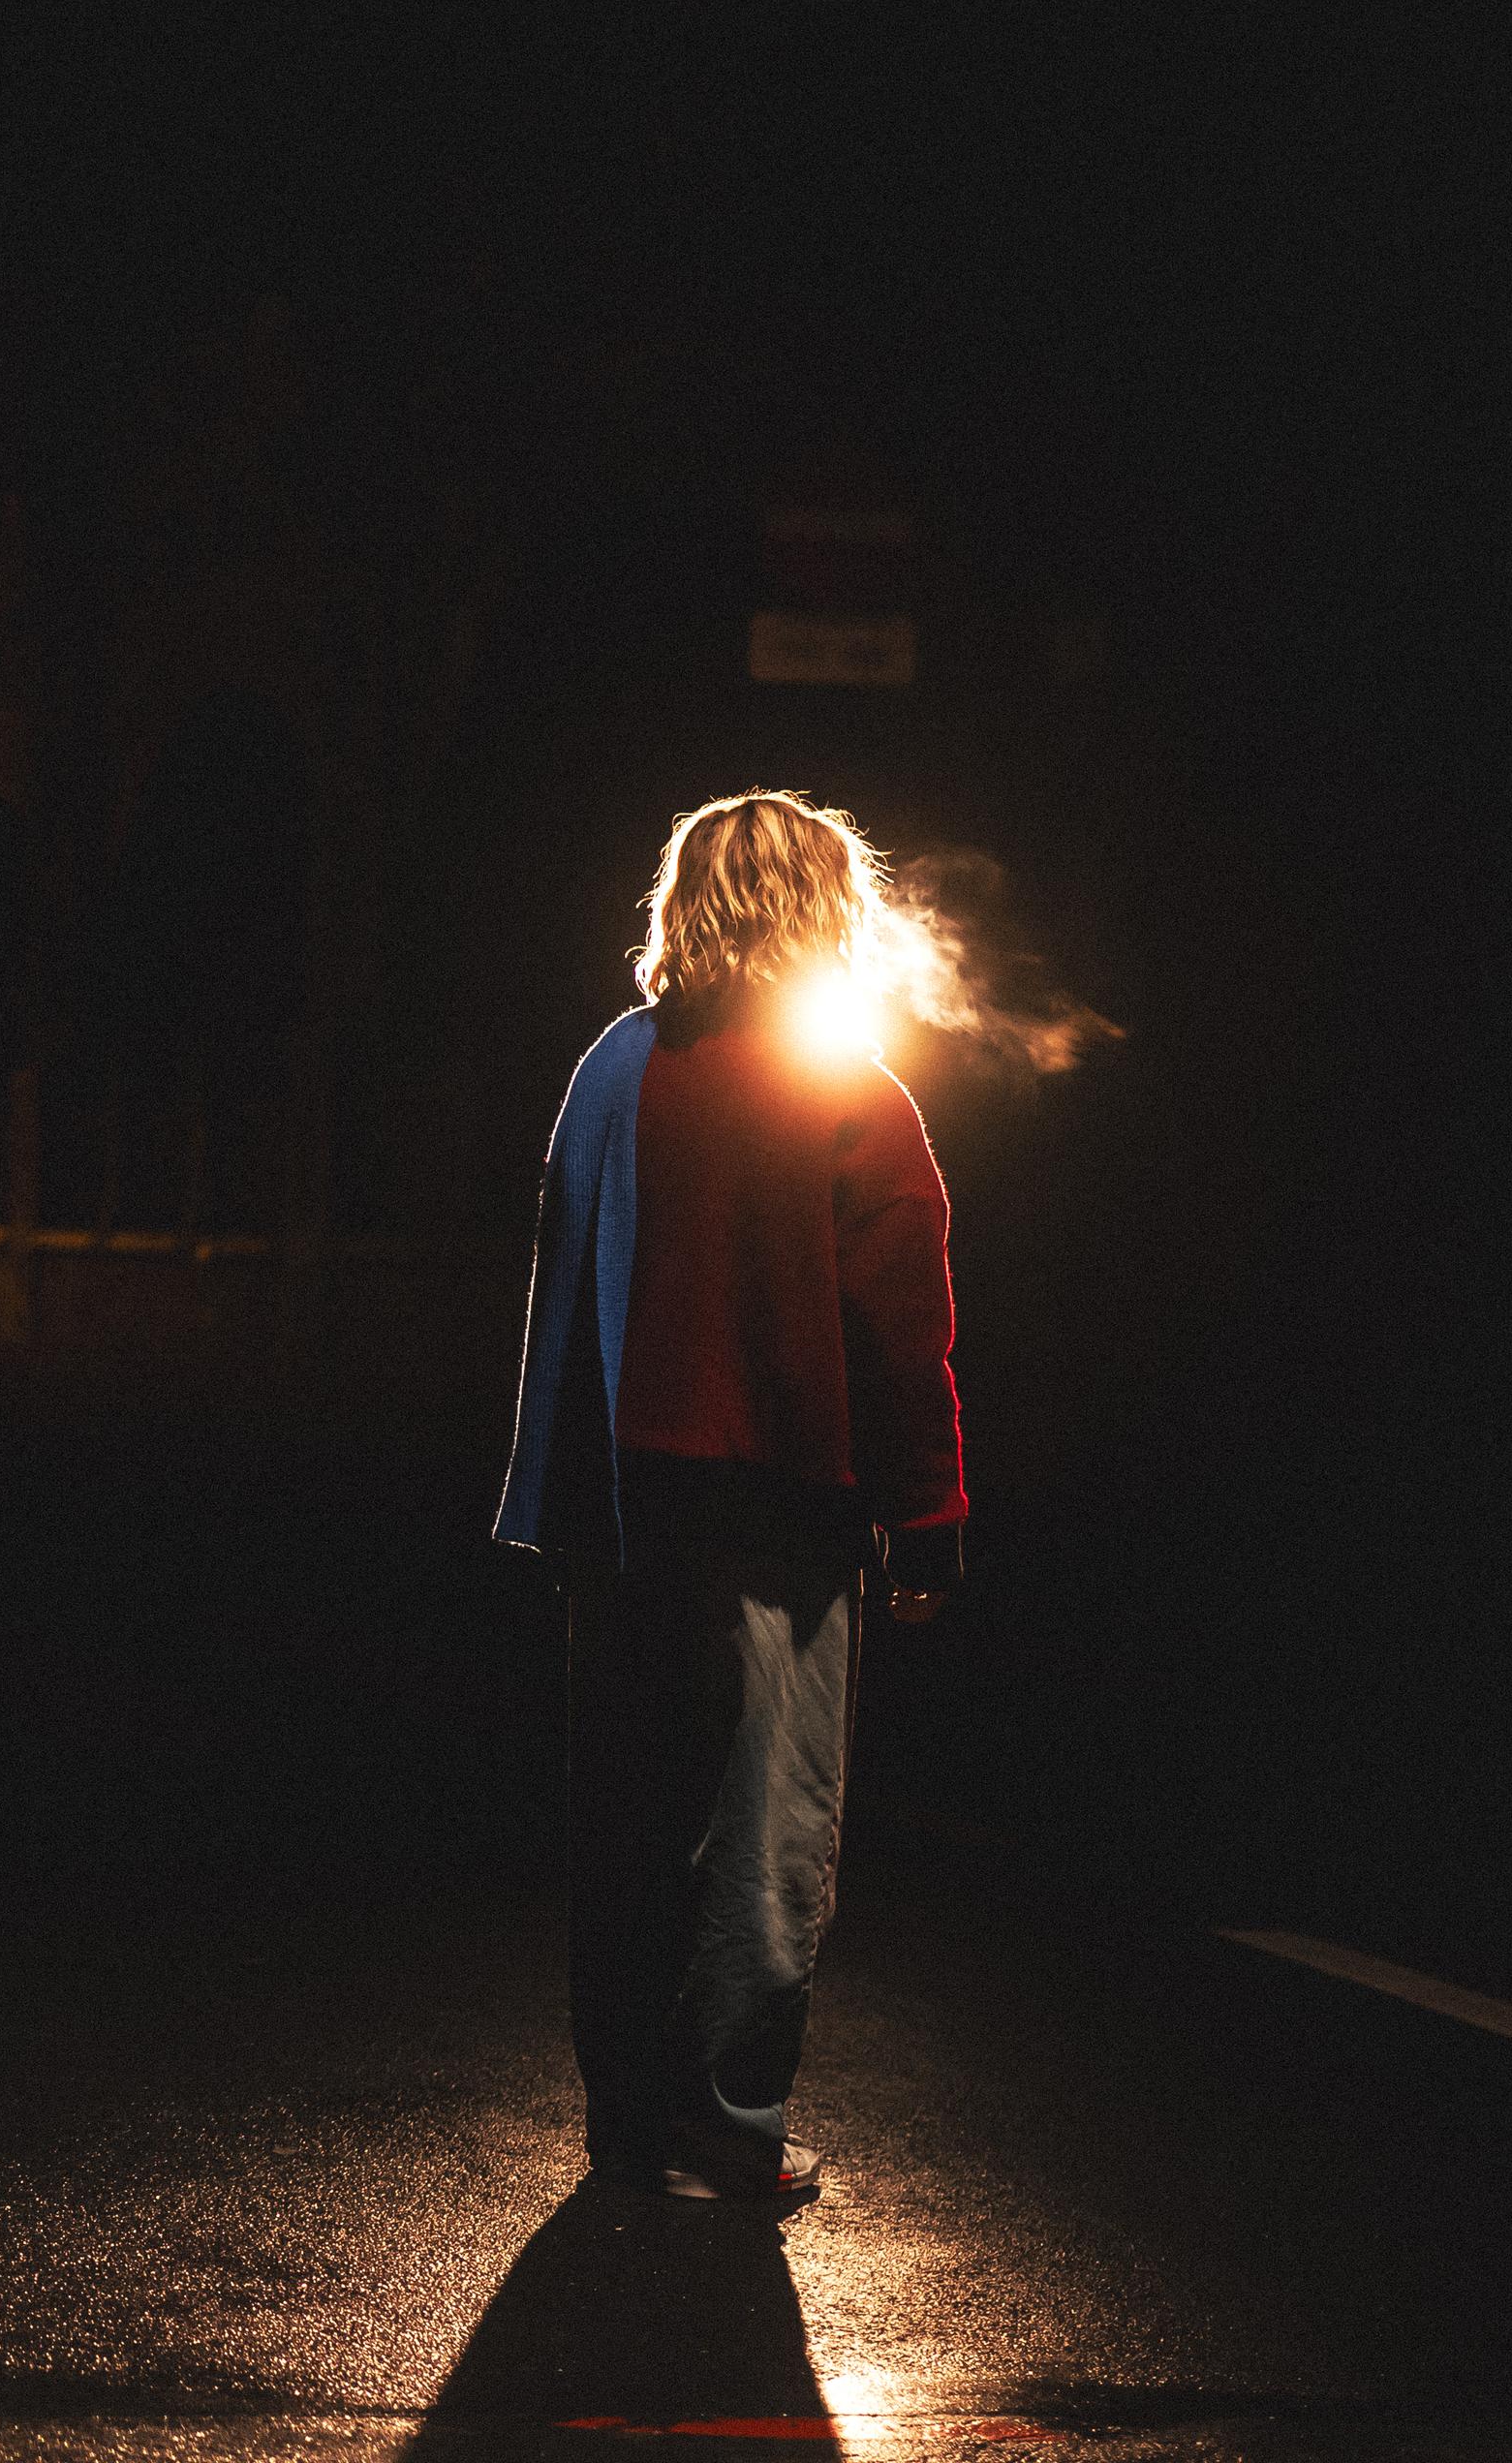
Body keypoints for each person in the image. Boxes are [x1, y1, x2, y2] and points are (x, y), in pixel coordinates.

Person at [495, 789, 963, 2202]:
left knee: (627, 1815)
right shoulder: (851, 1093)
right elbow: (900, 1328)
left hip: (624, 1505)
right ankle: (726, 2127)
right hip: (779, 1507)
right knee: (766, 1831)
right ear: (832, 911)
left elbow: (565, 1279)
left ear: (683, 904)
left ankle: (628, 2123)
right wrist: (927, 1516)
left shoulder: (610, 1069)